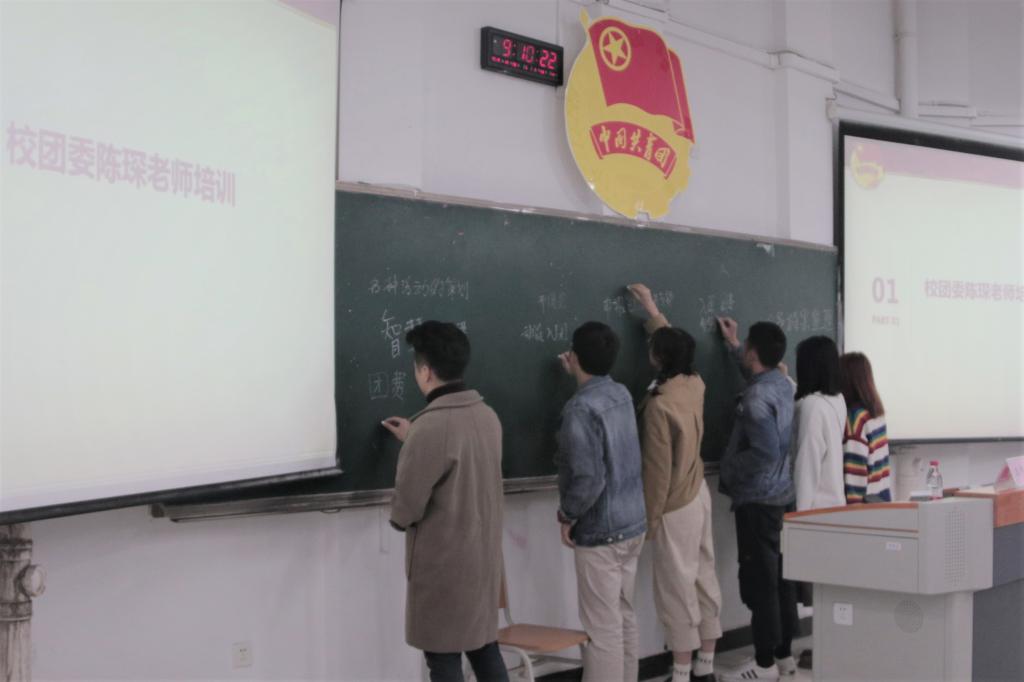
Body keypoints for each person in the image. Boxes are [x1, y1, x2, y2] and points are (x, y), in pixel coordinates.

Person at [381, 321, 508, 682]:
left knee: (443, 656)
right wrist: (415, 438)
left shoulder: (430, 427)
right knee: (484, 647)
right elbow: (457, 455)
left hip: (445, 566)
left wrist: (414, 441)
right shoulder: (487, 416)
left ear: (425, 371)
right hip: (483, 560)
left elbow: (407, 509)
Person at [628, 284, 722, 682]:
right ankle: (706, 666)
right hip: (698, 492)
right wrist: (652, 310)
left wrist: (649, 523)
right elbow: (675, 347)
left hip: (673, 504)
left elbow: (656, 473)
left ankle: (681, 674)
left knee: (675, 588)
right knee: (703, 576)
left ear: (658, 358)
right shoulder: (694, 383)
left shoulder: (659, 405)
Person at [555, 321, 647, 682]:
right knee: (624, 617)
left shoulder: (579, 409)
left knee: (602, 629)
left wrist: (567, 515)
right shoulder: (621, 393)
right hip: (633, 523)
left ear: (574, 357)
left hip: (601, 532)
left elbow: (589, 478)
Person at [715, 317, 799, 681]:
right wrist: (734, 345)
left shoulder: (756, 396)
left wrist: (730, 466)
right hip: (781, 495)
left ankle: (764, 665)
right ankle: (784, 657)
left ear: (754, 352)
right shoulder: (781, 382)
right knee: (780, 579)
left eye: (746, 344)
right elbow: (756, 379)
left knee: (759, 583)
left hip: (758, 500)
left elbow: (764, 450)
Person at [792, 336, 847, 512]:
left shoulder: (812, 406)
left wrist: (799, 515)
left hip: (814, 508)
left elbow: (807, 465)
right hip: (834, 502)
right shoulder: (837, 398)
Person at [839, 352, 892, 503]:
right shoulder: (875, 413)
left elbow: (855, 477)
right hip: (882, 497)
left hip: (864, 506)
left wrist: (853, 509)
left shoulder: (855, 420)